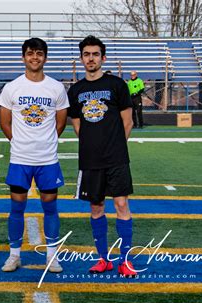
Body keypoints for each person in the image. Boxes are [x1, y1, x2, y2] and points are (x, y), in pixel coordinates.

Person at [67, 36, 136, 277]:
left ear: (103, 58)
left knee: (121, 204)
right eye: (86, 54)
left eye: (95, 54)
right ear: (81, 58)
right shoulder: (75, 90)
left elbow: (127, 122)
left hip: (116, 158)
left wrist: (114, 145)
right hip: (90, 159)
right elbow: (77, 126)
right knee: (96, 207)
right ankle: (103, 259)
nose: (91, 58)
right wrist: (94, 145)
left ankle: (125, 261)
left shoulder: (117, 84)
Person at [0, 38, 69, 273]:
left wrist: (45, 141)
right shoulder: (12, 87)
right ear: (23, 57)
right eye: (30, 53)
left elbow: (60, 122)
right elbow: (5, 122)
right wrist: (19, 142)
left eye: (39, 53)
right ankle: (14, 255)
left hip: (47, 160)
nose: (35, 57)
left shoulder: (56, 87)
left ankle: (52, 256)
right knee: (17, 207)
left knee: (50, 207)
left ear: (45, 57)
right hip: (20, 159)